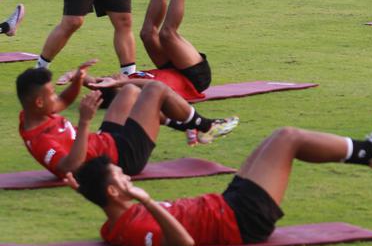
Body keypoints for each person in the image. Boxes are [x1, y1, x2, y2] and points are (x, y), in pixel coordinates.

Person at [71, 107, 372, 246]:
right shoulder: (131, 226)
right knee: (288, 138)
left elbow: (109, 208)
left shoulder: (112, 225)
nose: (127, 175)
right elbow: (182, 244)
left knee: (274, 139)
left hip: (227, 205)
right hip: (242, 219)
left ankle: (371, 154)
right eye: (120, 176)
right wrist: (146, 200)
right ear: (113, 191)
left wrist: (85, 185)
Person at [16, 64, 238, 179]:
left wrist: (79, 79)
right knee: (156, 89)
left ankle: (190, 126)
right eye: (51, 94)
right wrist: (84, 122)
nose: (56, 97)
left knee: (129, 90)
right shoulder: (40, 140)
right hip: (123, 158)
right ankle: (206, 126)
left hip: (106, 142)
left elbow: (63, 101)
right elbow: (69, 168)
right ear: (38, 101)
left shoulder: (32, 114)